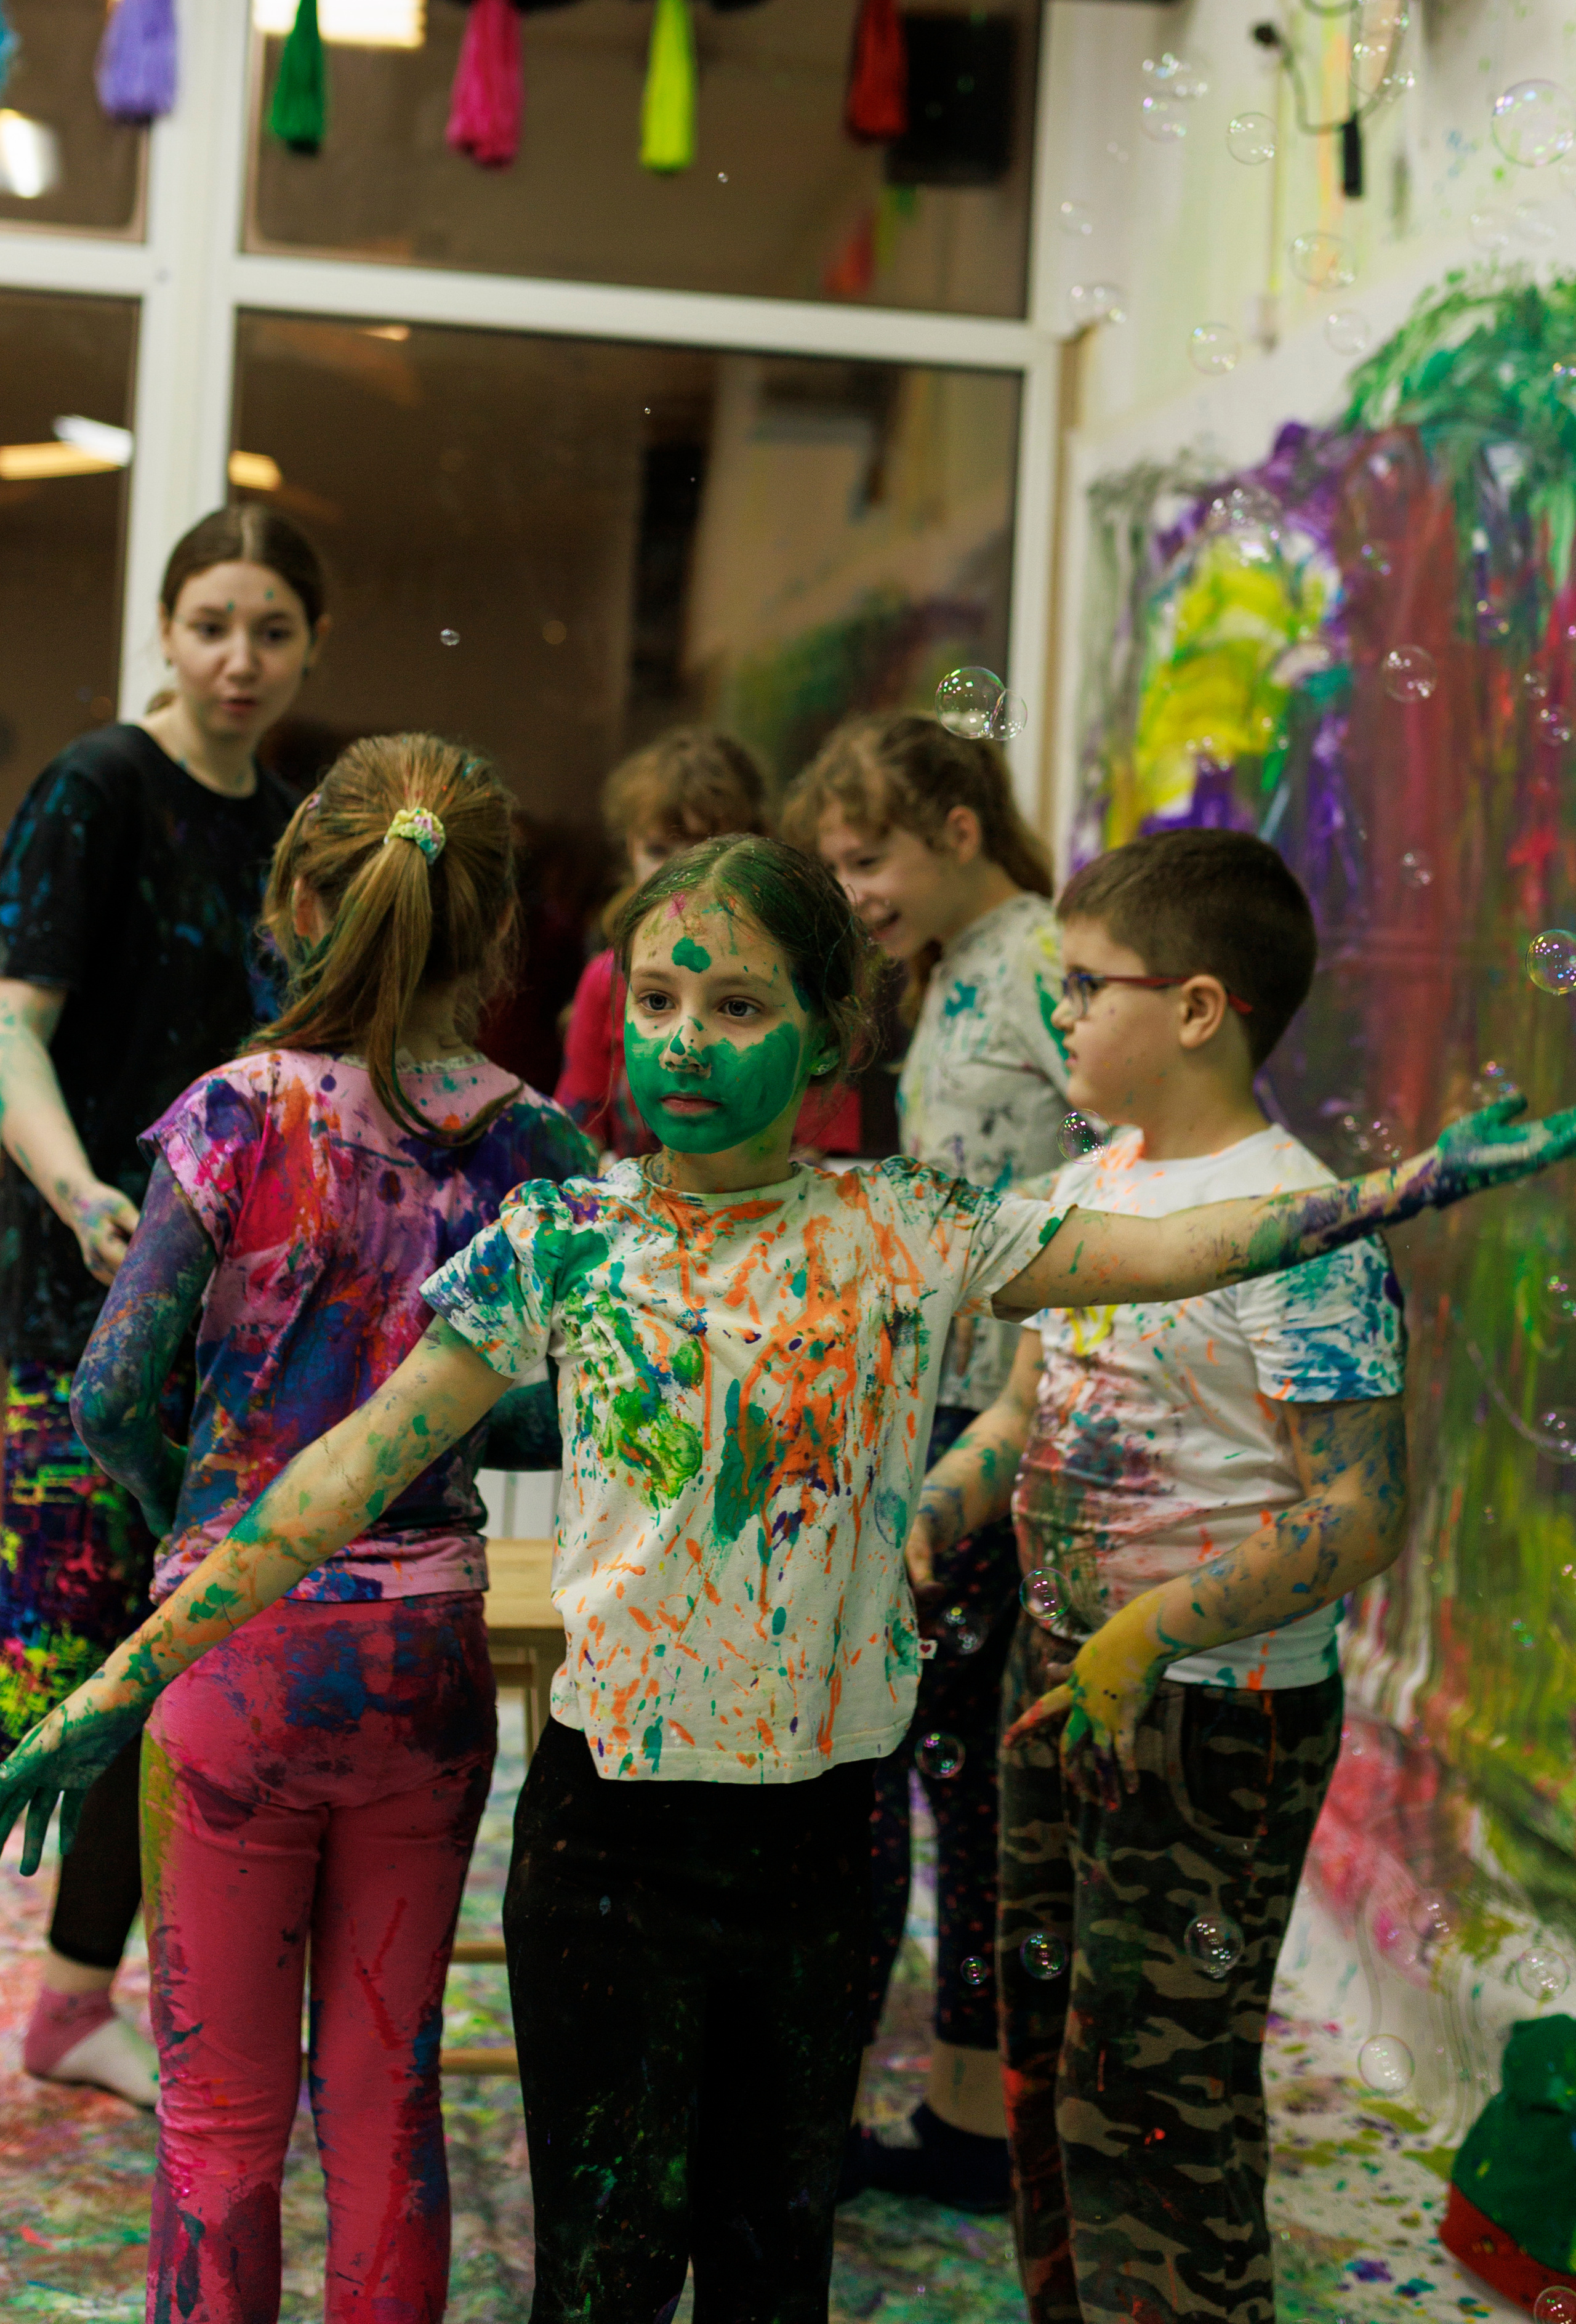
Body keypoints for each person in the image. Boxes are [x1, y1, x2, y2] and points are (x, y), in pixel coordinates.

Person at [0, 834, 1571, 2322]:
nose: (683, 1041)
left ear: (829, 1034)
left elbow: (1179, 1251)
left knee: (773, 2268)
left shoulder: (915, 1227)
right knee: (602, 2274)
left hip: (824, 1849)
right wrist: (131, 1673)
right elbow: (338, 1474)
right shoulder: (566, 1237)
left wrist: (1406, 1183)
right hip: (609, 1844)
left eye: (738, 1005)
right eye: (662, 1002)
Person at [64, 735, 595, 2322]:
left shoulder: (236, 1111)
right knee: (389, 2096)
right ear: (498, 931)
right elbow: (555, 1422)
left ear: (297, 899)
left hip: (233, 1654)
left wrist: (193, 1515)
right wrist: (440, 1425)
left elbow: (107, 1390)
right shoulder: (539, 1149)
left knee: (218, 2122)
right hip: (423, 1662)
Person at [907, 829, 1410, 2324]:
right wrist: (941, 1499)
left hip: (1212, 1716)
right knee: (1048, 2062)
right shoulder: (1081, 1190)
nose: (1052, 1011)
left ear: (1196, 1008)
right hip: (1057, 1684)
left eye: (1081, 984)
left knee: (1154, 2098)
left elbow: (1360, 1508)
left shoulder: (1301, 1227)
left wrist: (1150, 1627)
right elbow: (1016, 1410)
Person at [0, 503, 327, 2107]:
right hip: (70, 1308)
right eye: (212, 623)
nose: (240, 658)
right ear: (166, 627)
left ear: (310, 644)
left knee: (158, 1656)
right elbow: (11, 1030)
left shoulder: (290, 827)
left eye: (272, 629)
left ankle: (73, 1999)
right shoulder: (97, 789)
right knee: (40, 1663)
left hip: (222, 1317)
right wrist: (79, 1201)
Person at [786, 712, 1071, 2207]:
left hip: (995, 1424)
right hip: (934, 1410)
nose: (855, 891)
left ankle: (969, 2111)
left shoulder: (1039, 955)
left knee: (939, 1753)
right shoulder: (950, 971)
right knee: (931, 1744)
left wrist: (1019, 1393)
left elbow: (1098, 1163)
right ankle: (958, 2097)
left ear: (956, 828)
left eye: (867, 858)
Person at [554, 726, 771, 1157]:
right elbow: (577, 1137)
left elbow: (814, 1144)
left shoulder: (783, 974)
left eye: (704, 851)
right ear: (630, 850)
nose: (679, 877)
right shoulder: (607, 979)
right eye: (657, 851)